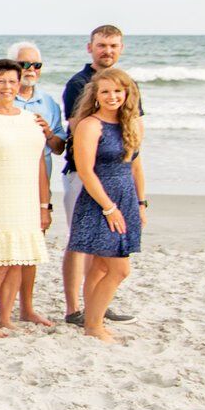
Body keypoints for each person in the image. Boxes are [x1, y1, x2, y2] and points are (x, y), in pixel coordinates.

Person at [0, 41, 65, 325]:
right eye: (0, 81)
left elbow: (40, 167)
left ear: (20, 84)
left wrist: (44, 207)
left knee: (19, 262)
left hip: (26, 203)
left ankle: (6, 318)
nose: (7, 86)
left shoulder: (33, 119)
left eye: (12, 81)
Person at [61, 25, 137, 326]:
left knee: (103, 248)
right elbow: (78, 130)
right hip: (84, 172)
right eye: (102, 45)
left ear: (121, 48)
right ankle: (74, 309)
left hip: (117, 175)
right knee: (81, 242)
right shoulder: (78, 83)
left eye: (114, 45)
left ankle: (97, 306)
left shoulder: (125, 83)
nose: (108, 50)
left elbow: (132, 130)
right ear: (89, 47)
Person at [66, 68, 145, 343]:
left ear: (127, 93)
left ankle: (93, 322)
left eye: (118, 91)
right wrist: (109, 208)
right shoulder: (90, 125)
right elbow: (86, 172)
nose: (112, 96)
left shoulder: (133, 123)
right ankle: (94, 325)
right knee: (119, 269)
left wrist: (141, 202)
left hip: (126, 198)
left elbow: (135, 165)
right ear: (96, 95)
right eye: (105, 91)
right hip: (100, 201)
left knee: (100, 267)